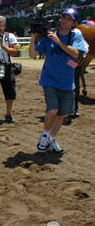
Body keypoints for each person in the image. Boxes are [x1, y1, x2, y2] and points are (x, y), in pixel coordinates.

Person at [29, 8, 87, 154]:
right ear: (60, 19)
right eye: (64, 18)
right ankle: (44, 139)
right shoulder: (49, 36)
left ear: (74, 23)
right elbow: (33, 54)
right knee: (53, 110)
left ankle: (50, 139)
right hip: (49, 80)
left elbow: (75, 52)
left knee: (62, 115)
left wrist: (58, 41)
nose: (65, 21)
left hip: (67, 82)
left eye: (69, 19)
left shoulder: (76, 35)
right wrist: (33, 37)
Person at [0, 16, 19, 123]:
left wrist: (2, 46)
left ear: (5, 26)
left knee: (10, 91)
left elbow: (14, 52)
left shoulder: (10, 36)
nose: (0, 27)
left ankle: (8, 114)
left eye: (2, 25)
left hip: (7, 65)